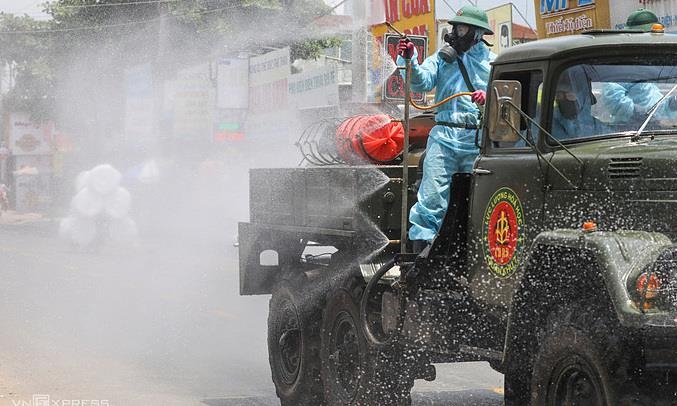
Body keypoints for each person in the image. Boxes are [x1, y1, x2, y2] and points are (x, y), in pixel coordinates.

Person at [397, 6, 496, 249]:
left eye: (462, 28)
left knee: (479, 202)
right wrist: (409, 60)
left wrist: (490, 97)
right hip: (444, 138)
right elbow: (420, 83)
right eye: (455, 27)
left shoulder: (494, 63)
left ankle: (475, 255)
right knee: (431, 200)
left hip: (477, 141)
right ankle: (421, 260)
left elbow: (509, 96)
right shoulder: (442, 59)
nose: (456, 33)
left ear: (477, 33)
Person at [601, 9, 677, 126]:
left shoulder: (659, 64)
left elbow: (655, 104)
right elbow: (612, 97)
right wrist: (635, 112)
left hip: (660, 130)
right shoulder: (622, 64)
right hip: (630, 131)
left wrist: (671, 104)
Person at [551, 66, 607, 140]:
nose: (565, 99)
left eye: (570, 95)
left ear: (583, 97)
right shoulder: (545, 125)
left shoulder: (599, 127)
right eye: (559, 95)